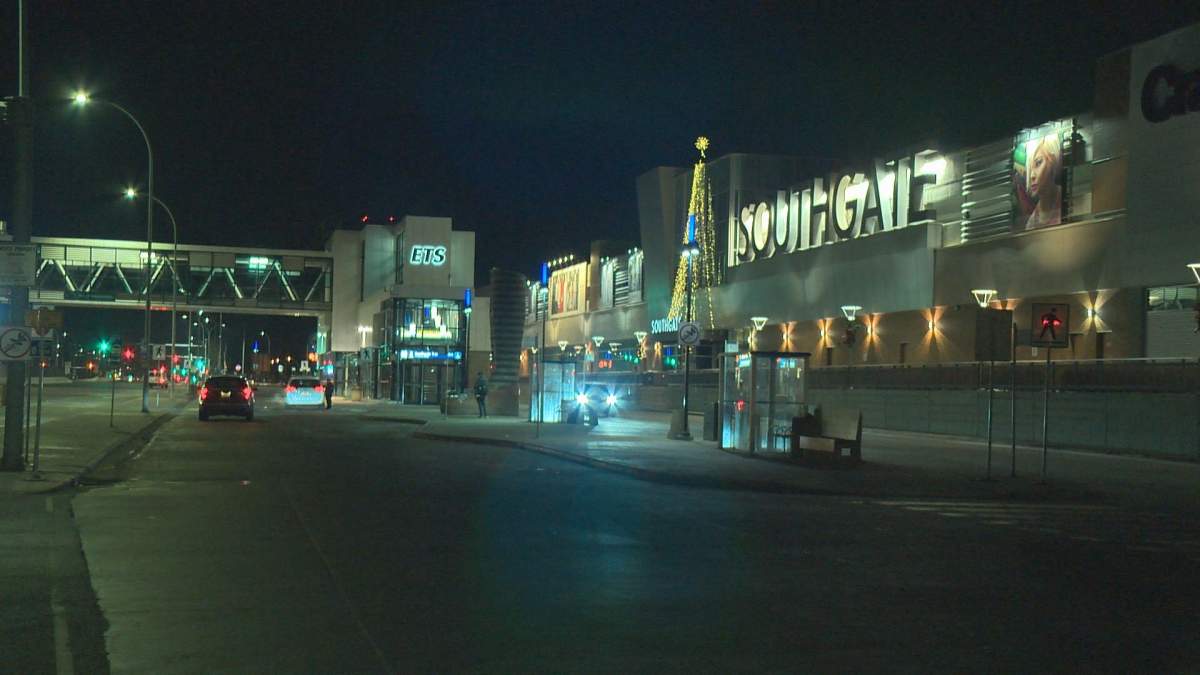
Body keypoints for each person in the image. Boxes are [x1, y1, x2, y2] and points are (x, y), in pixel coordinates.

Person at [1024, 133, 1062, 230]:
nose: (1032, 175)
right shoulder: (1031, 224)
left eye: (1038, 163)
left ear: (1052, 161)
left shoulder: (1069, 201)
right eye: (1030, 168)